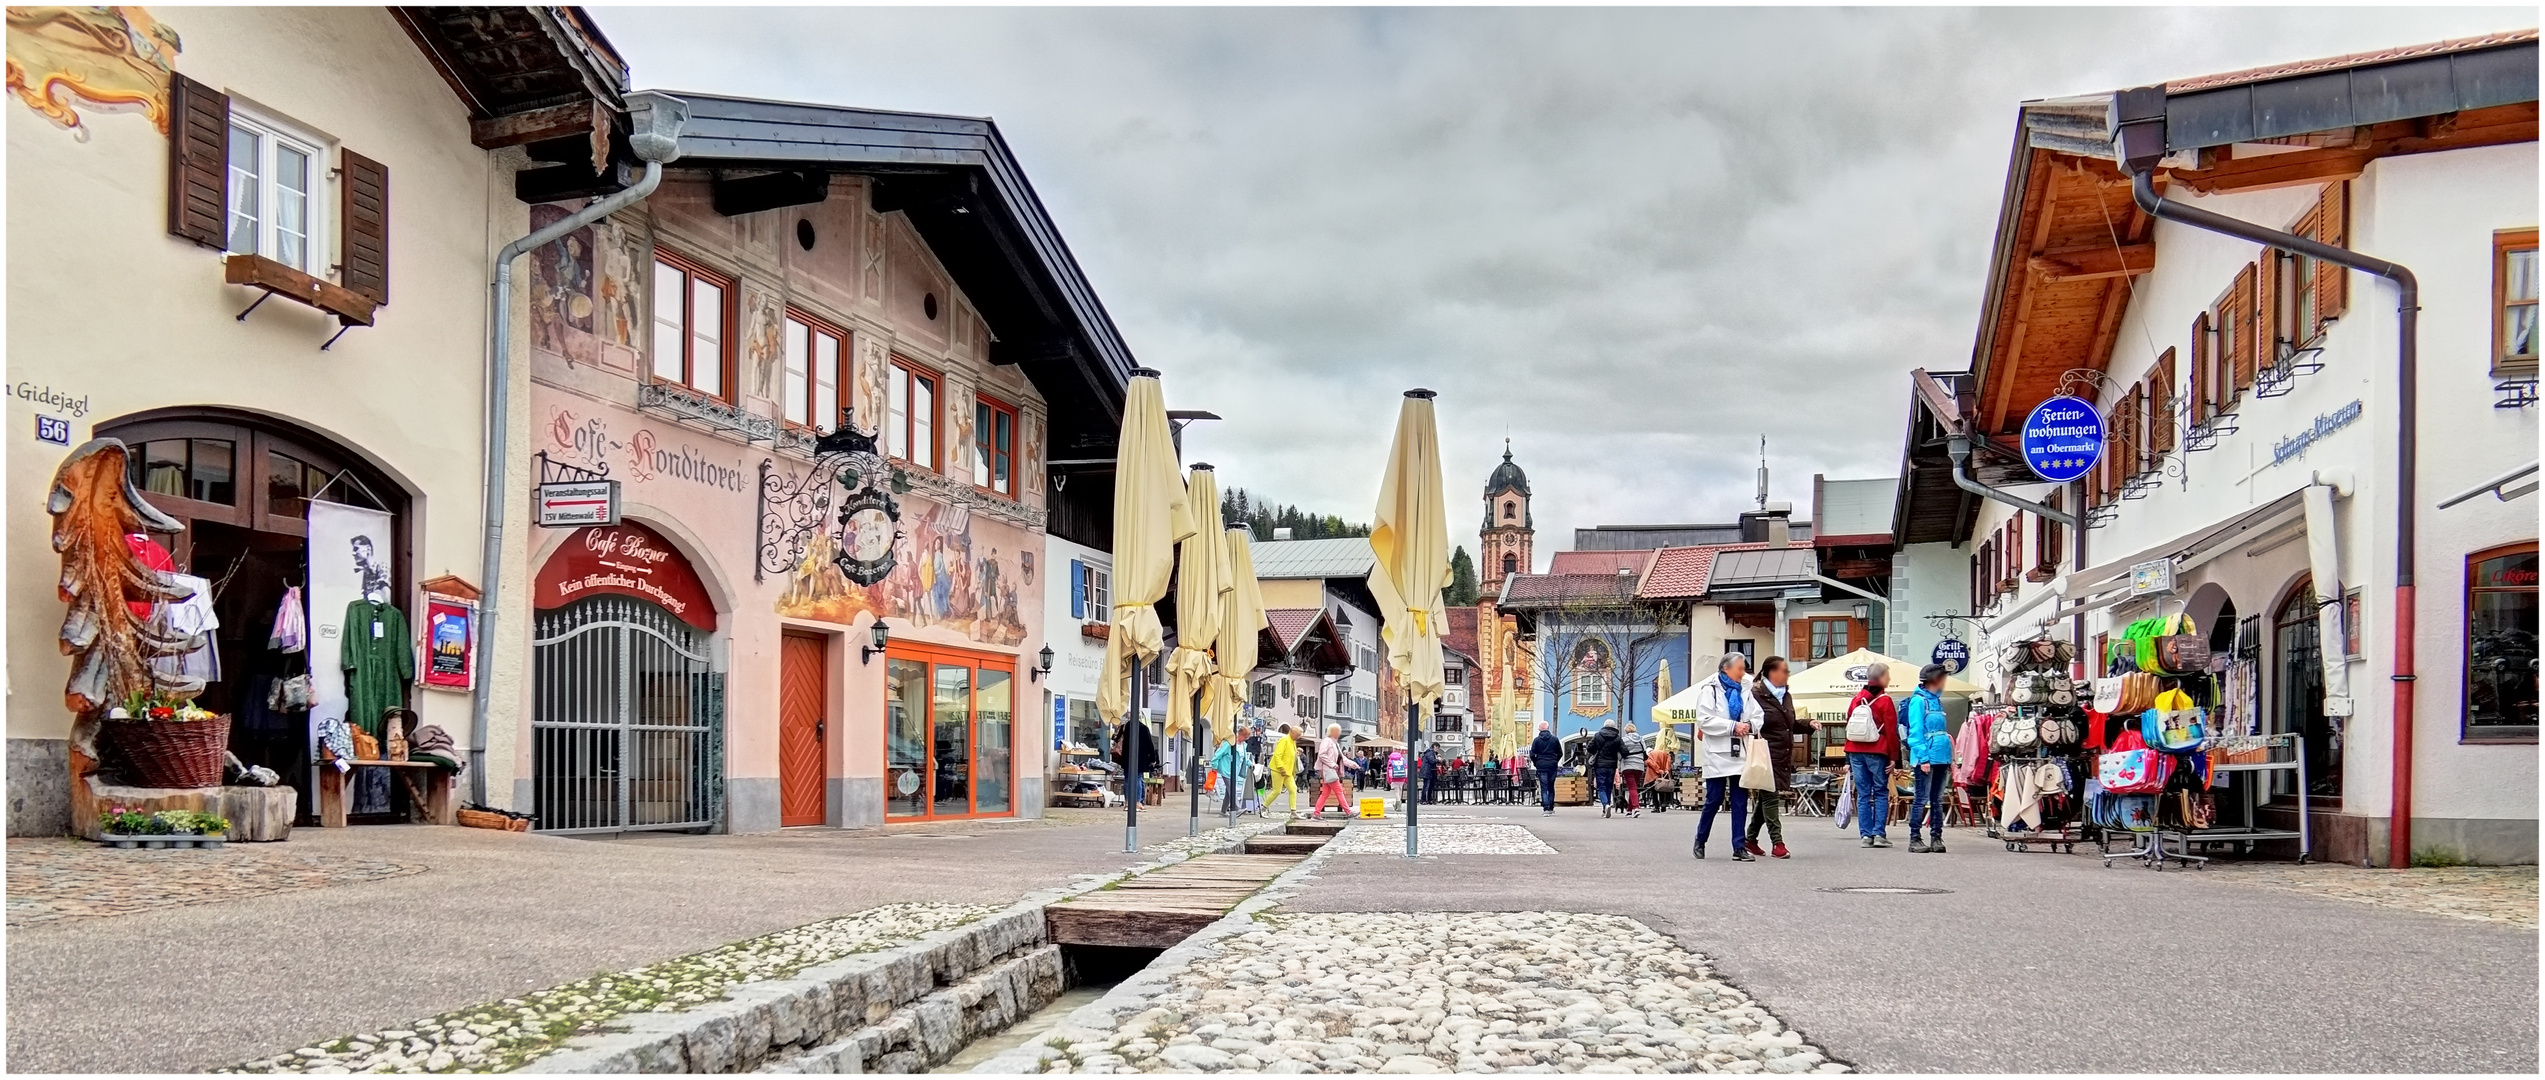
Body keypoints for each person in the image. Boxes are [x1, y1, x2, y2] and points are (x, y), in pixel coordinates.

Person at [1743, 656, 1817, 859]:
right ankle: (1778, 843)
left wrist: (1807, 724)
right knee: (1770, 796)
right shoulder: (1755, 694)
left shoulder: (1785, 696)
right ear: (1771, 673)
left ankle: (1750, 839)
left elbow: (1788, 724)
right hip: (1764, 753)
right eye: (1784, 671)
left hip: (1783, 753)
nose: (1787, 675)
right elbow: (1751, 722)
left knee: (1766, 797)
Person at [1693, 653, 1759, 860]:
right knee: (1714, 799)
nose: (1743, 673)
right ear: (1725, 668)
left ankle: (1739, 847)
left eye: (1743, 669)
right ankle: (1700, 839)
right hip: (1717, 754)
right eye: (1739, 668)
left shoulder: (1746, 690)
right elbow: (1704, 720)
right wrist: (1732, 726)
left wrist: (1749, 725)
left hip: (1740, 752)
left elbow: (1758, 715)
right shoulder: (1710, 690)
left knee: (1740, 801)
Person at [1843, 663, 1904, 847]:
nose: (1890, 679)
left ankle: (1865, 835)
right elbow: (1892, 731)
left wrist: (1847, 756)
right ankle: (1879, 834)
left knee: (1862, 794)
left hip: (1855, 750)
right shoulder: (1885, 701)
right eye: (1888, 676)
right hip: (1877, 750)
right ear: (1881, 677)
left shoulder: (1856, 699)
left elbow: (1849, 724)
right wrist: (1895, 758)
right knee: (1879, 791)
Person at [1903, 664, 1955, 853]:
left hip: (1941, 756)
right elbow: (1915, 733)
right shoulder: (1918, 701)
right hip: (1926, 757)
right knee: (1921, 798)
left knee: (1937, 799)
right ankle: (1914, 839)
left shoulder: (1936, 701)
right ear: (1934, 679)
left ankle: (1936, 838)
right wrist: (1923, 758)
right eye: (1942, 677)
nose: (1944, 681)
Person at [1312, 724, 1357, 819]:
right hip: (1329, 771)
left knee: (1325, 793)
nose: (1339, 733)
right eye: (1337, 731)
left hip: (1330, 771)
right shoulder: (1327, 741)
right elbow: (1322, 754)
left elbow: (1342, 758)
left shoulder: (1335, 743)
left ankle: (1316, 813)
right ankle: (1348, 812)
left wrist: (1353, 764)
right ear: (1333, 732)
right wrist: (1333, 764)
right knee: (1339, 791)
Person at [1586, 719, 1626, 818]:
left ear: (1604, 726)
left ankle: (1605, 804)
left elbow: (1590, 748)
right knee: (1609, 786)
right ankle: (1606, 806)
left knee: (1601, 786)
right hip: (1612, 765)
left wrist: (1597, 750)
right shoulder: (1617, 737)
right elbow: (1624, 751)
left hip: (1600, 764)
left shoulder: (1598, 735)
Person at [1528, 720, 1562, 815]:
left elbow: (1532, 754)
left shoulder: (1537, 740)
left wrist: (1536, 762)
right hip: (1552, 766)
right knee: (1551, 787)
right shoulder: (1554, 739)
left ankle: (1546, 808)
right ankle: (1551, 807)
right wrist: (1555, 761)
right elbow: (1560, 753)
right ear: (1548, 728)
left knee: (1544, 787)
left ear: (1539, 729)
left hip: (1541, 766)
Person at [1267, 723, 1301, 818]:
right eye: (1297, 735)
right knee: (1277, 791)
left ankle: (1293, 812)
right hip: (1279, 770)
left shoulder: (1292, 741)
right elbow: (1277, 755)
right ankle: (1264, 807)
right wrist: (1281, 767)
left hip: (1288, 771)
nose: (1298, 737)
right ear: (1292, 732)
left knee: (1293, 789)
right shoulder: (1284, 740)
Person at [1616, 722, 1648, 817]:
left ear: (1626, 730)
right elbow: (1645, 751)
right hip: (1639, 766)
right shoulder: (1641, 739)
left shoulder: (1624, 740)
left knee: (1632, 788)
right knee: (1634, 787)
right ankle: (1629, 809)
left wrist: (1619, 761)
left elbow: (1619, 754)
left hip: (1628, 766)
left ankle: (1636, 808)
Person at [1644, 740, 1676, 813]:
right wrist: (1666, 769)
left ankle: (1656, 807)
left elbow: (1650, 763)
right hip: (1664, 774)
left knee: (1654, 791)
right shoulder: (1664, 753)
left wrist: (1659, 770)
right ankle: (1663, 804)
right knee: (1662, 789)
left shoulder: (1650, 755)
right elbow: (1669, 760)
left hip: (1653, 775)